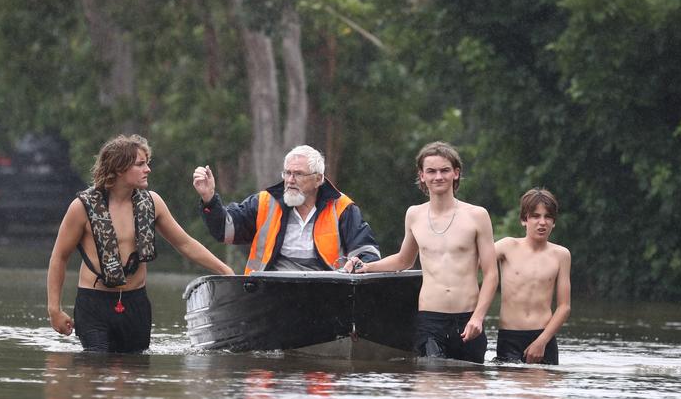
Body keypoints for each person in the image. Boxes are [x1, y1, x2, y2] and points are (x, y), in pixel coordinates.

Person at [47, 134, 234, 353]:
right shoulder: (82, 207)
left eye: (147, 163)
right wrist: (54, 310)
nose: (148, 169)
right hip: (94, 304)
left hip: (135, 303)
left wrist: (225, 270)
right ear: (119, 168)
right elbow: (59, 257)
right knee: (95, 368)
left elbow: (185, 244)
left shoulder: (152, 203)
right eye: (140, 164)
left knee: (134, 375)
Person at [344, 141, 497, 363]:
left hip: (468, 318)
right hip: (430, 319)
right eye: (431, 171)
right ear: (422, 176)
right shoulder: (414, 215)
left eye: (445, 170)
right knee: (431, 385)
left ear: (456, 173)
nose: (438, 177)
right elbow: (404, 260)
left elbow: (491, 273)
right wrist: (366, 266)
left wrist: (478, 318)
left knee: (469, 391)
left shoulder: (477, 216)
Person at [192, 145, 381, 273]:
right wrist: (209, 198)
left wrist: (358, 263)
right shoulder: (265, 202)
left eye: (298, 174)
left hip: (327, 292)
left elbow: (368, 252)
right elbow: (224, 231)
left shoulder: (342, 207)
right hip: (267, 293)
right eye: (287, 173)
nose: (290, 180)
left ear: (318, 179)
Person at [494, 188, 571, 365]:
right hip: (509, 337)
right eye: (535, 216)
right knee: (510, 392)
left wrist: (541, 341)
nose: (542, 222)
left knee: (542, 393)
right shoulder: (507, 246)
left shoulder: (561, 255)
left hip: (544, 337)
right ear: (524, 219)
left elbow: (564, 306)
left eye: (548, 217)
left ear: (554, 222)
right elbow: (471, 263)